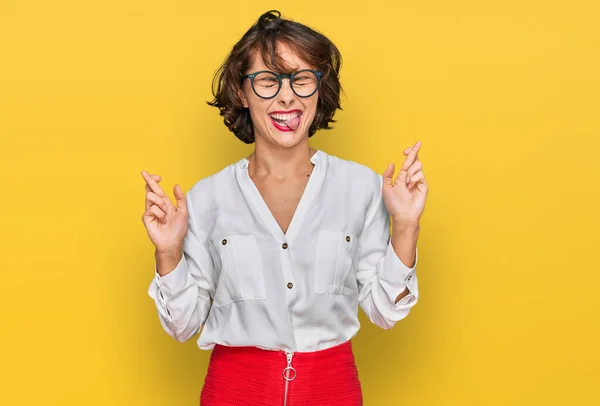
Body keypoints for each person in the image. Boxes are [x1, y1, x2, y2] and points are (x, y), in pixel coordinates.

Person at [141, 10, 428, 406]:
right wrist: (169, 251)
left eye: (301, 79)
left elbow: (385, 311)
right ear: (241, 92)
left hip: (334, 391)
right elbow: (183, 325)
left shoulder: (361, 187)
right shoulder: (208, 198)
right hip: (232, 392)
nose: (287, 95)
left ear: (318, 90)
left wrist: (406, 224)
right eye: (267, 81)